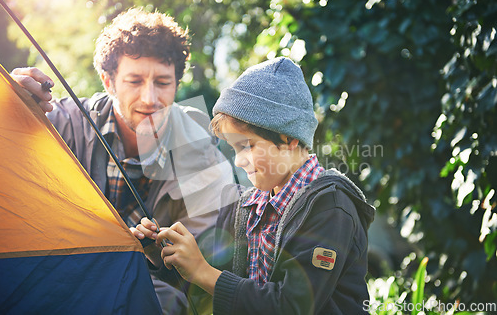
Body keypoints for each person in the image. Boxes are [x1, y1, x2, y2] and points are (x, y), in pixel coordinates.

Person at [11, 7, 233, 315]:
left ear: (177, 84)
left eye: (163, 82)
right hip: (57, 280)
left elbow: (210, 262)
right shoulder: (61, 122)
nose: (149, 98)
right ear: (108, 81)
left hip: (148, 294)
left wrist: (156, 253)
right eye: (135, 80)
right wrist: (8, 104)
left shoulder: (203, 154)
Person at [133, 57, 376, 314]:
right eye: (234, 148)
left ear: (289, 138)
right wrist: (162, 255)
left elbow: (292, 306)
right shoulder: (245, 207)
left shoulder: (330, 207)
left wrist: (202, 271)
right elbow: (213, 286)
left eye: (246, 145)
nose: (239, 160)